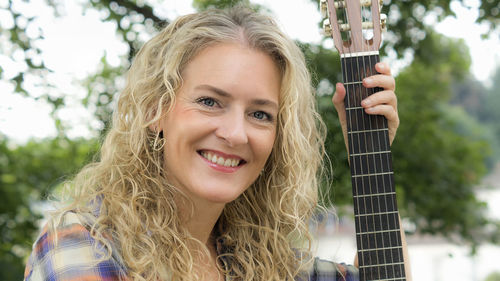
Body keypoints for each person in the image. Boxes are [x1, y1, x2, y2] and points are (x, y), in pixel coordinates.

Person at [24, 5, 405, 281]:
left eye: (260, 114)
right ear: (156, 110)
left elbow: (382, 276)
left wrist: (371, 153)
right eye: (209, 102)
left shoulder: (257, 261)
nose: (235, 134)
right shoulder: (82, 246)